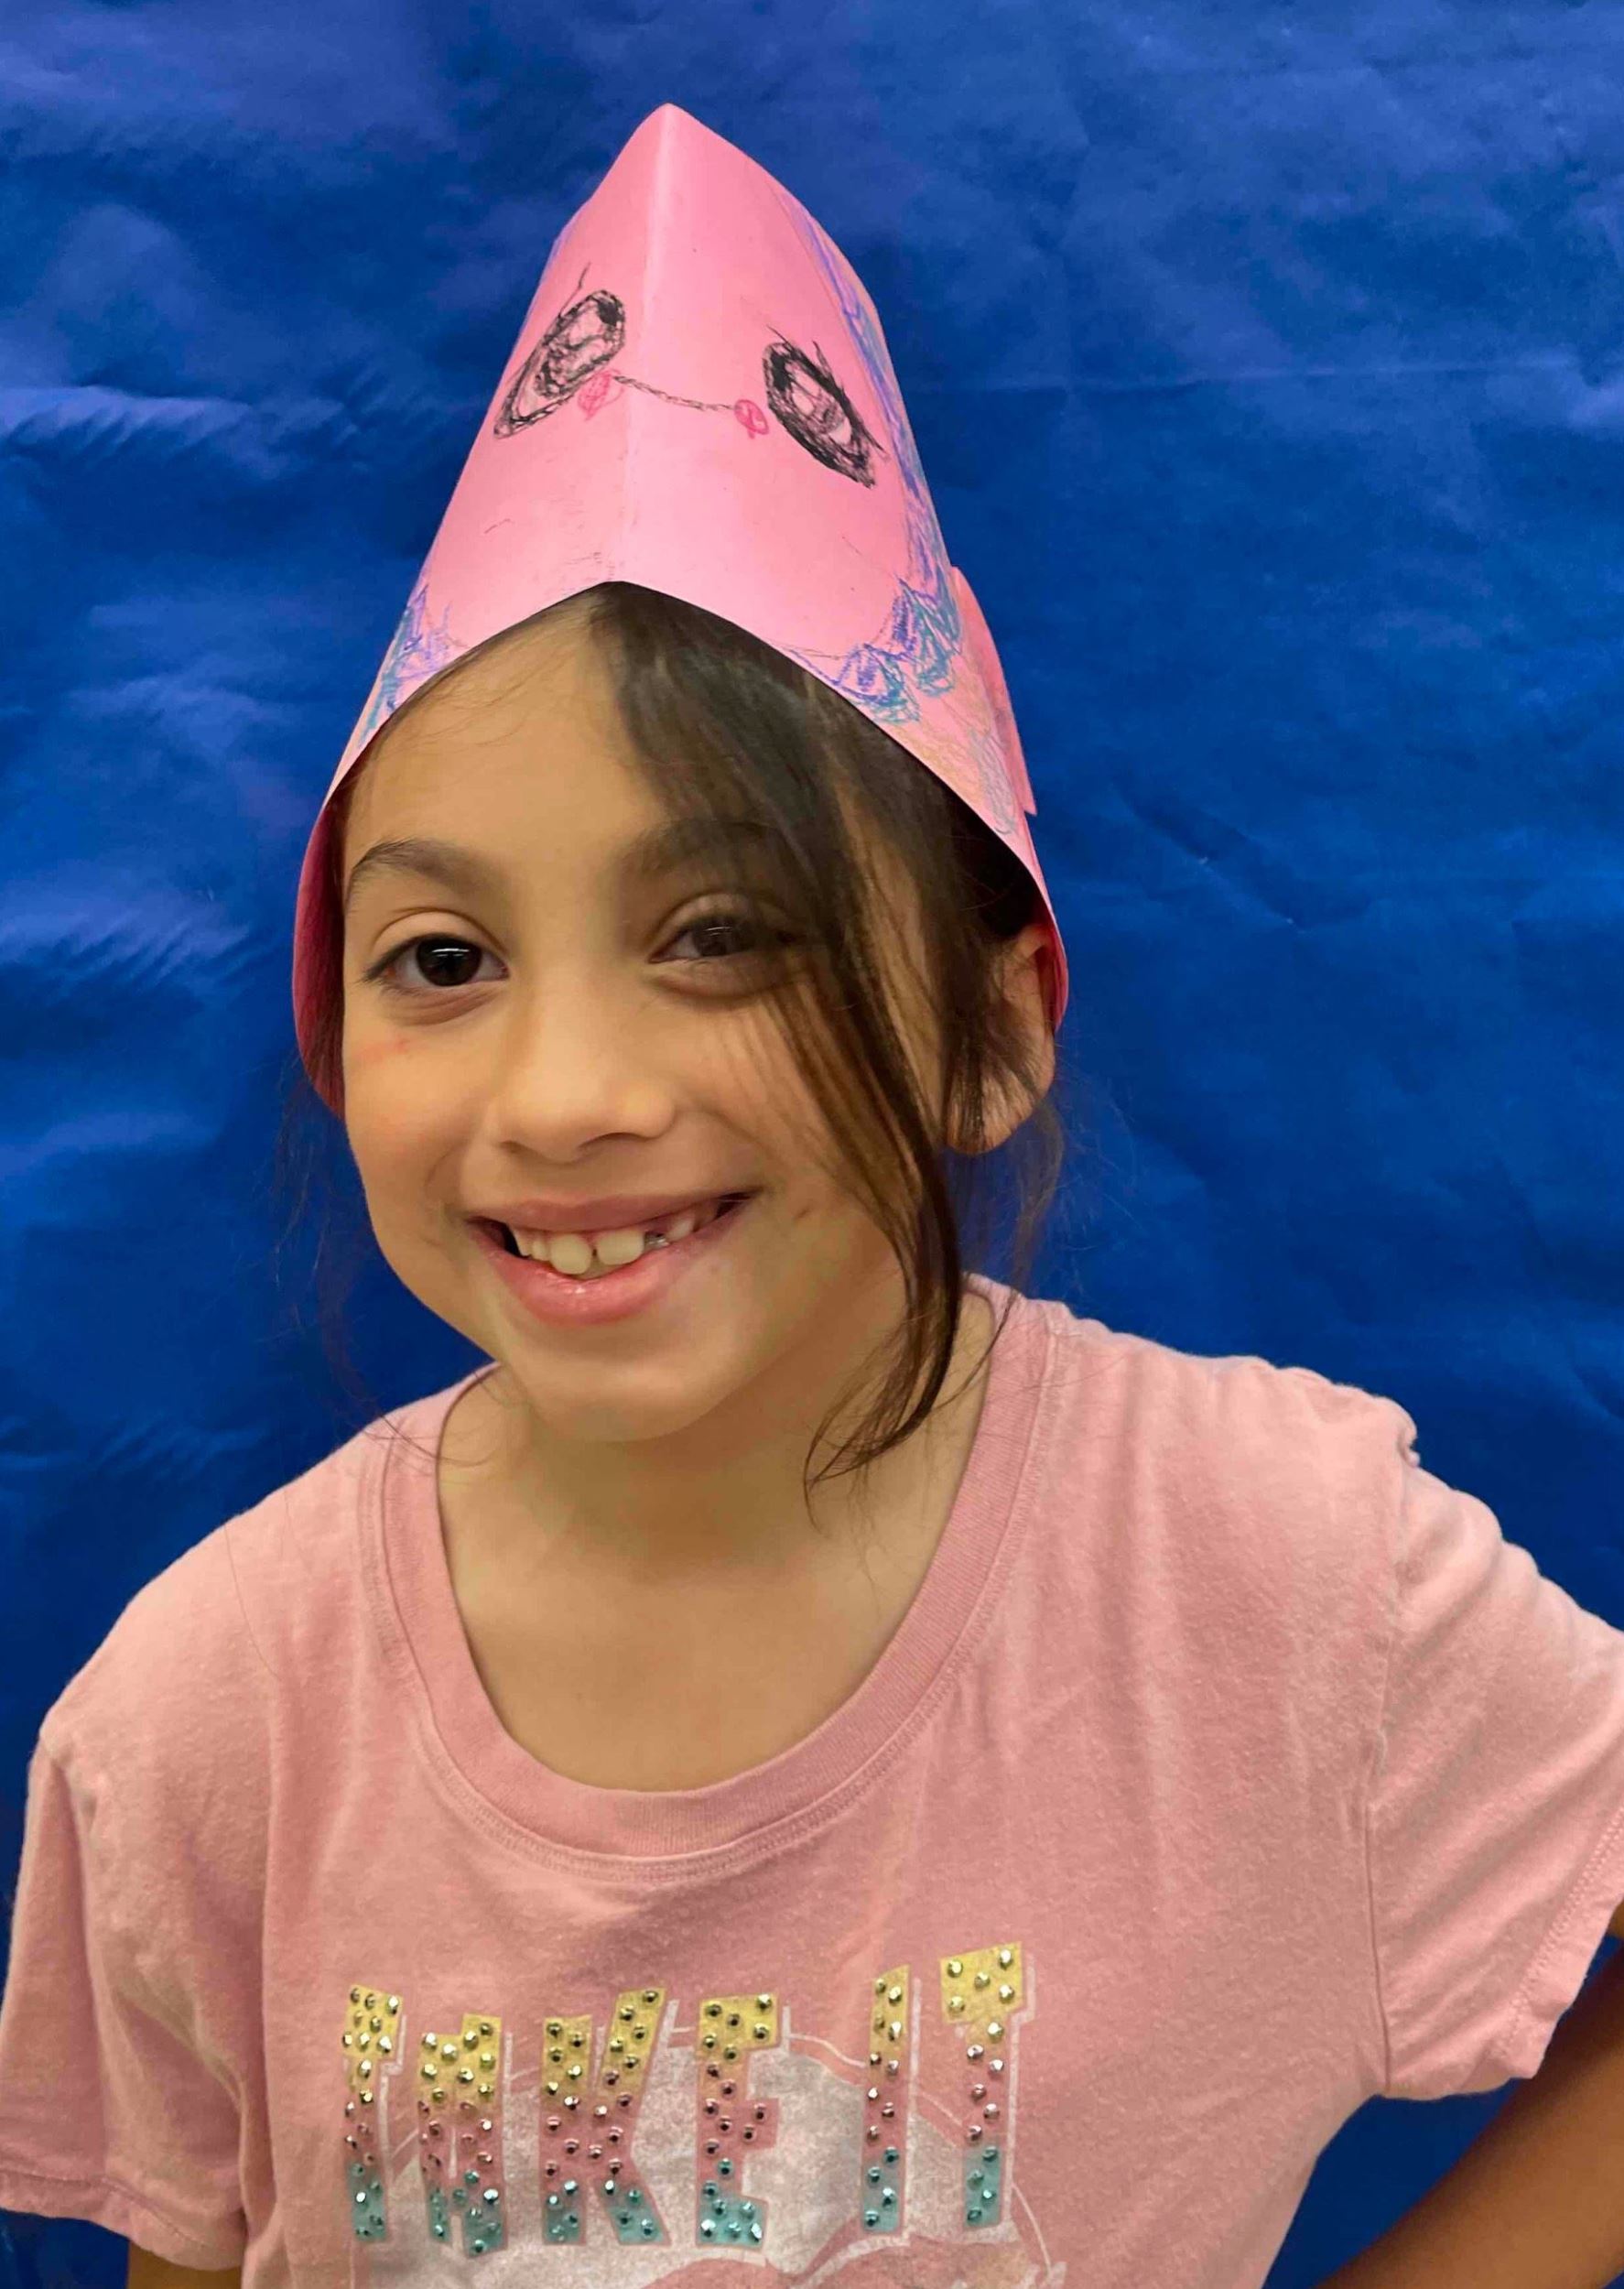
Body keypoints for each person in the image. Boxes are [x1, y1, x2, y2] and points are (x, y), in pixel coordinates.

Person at [5, 103, 1624, 2289]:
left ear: (989, 1021)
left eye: (721, 932)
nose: (565, 1096)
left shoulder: (1275, 1581)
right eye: (444, 959)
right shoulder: (203, 1717)